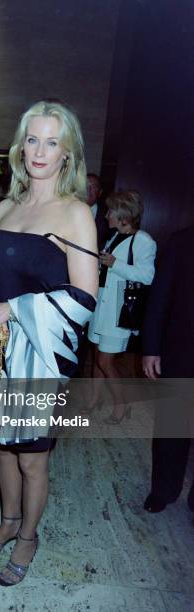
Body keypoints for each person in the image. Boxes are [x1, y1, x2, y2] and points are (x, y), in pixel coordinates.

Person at [0, 99, 98, 586]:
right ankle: (8, 523)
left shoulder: (75, 213)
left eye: (52, 141)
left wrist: (17, 309)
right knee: (0, 449)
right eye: (32, 139)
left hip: (40, 356)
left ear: (68, 153)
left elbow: (85, 297)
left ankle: (29, 536)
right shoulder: (5, 206)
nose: (40, 151)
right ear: (19, 146)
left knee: (31, 455)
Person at [88, 190, 157, 422]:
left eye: (110, 211)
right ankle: (94, 399)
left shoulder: (143, 240)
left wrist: (115, 263)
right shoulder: (114, 236)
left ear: (124, 215)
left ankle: (122, 405)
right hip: (101, 306)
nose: (106, 215)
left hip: (119, 311)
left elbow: (147, 276)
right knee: (97, 356)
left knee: (105, 361)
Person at [142, 225, 194, 513]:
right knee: (172, 426)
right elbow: (160, 297)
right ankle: (163, 490)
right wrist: (151, 347)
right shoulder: (183, 240)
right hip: (182, 352)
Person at [86, 172, 110, 250]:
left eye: (93, 187)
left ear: (100, 192)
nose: (88, 190)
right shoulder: (69, 211)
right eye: (85, 186)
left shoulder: (108, 214)